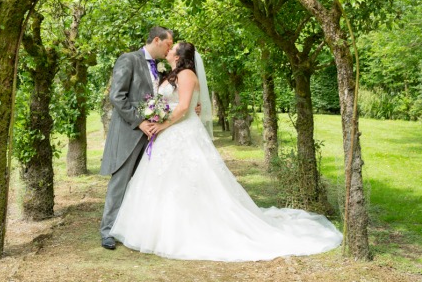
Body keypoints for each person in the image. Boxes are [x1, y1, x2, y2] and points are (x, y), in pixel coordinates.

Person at [109, 42, 343, 261]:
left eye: (173, 47)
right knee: (163, 181)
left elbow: (182, 108)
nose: (169, 49)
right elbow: (176, 102)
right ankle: (156, 227)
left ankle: (190, 229)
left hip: (181, 132)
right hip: (167, 136)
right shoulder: (170, 75)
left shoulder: (187, 75)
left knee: (191, 180)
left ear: (179, 56)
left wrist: (162, 123)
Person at [99, 26, 173, 250]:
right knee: (120, 182)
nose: (170, 49)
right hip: (130, 132)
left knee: (145, 183)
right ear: (157, 40)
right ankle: (107, 231)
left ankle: (133, 229)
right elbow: (117, 96)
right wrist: (140, 122)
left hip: (153, 136)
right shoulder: (128, 59)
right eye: (169, 44)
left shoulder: (160, 68)